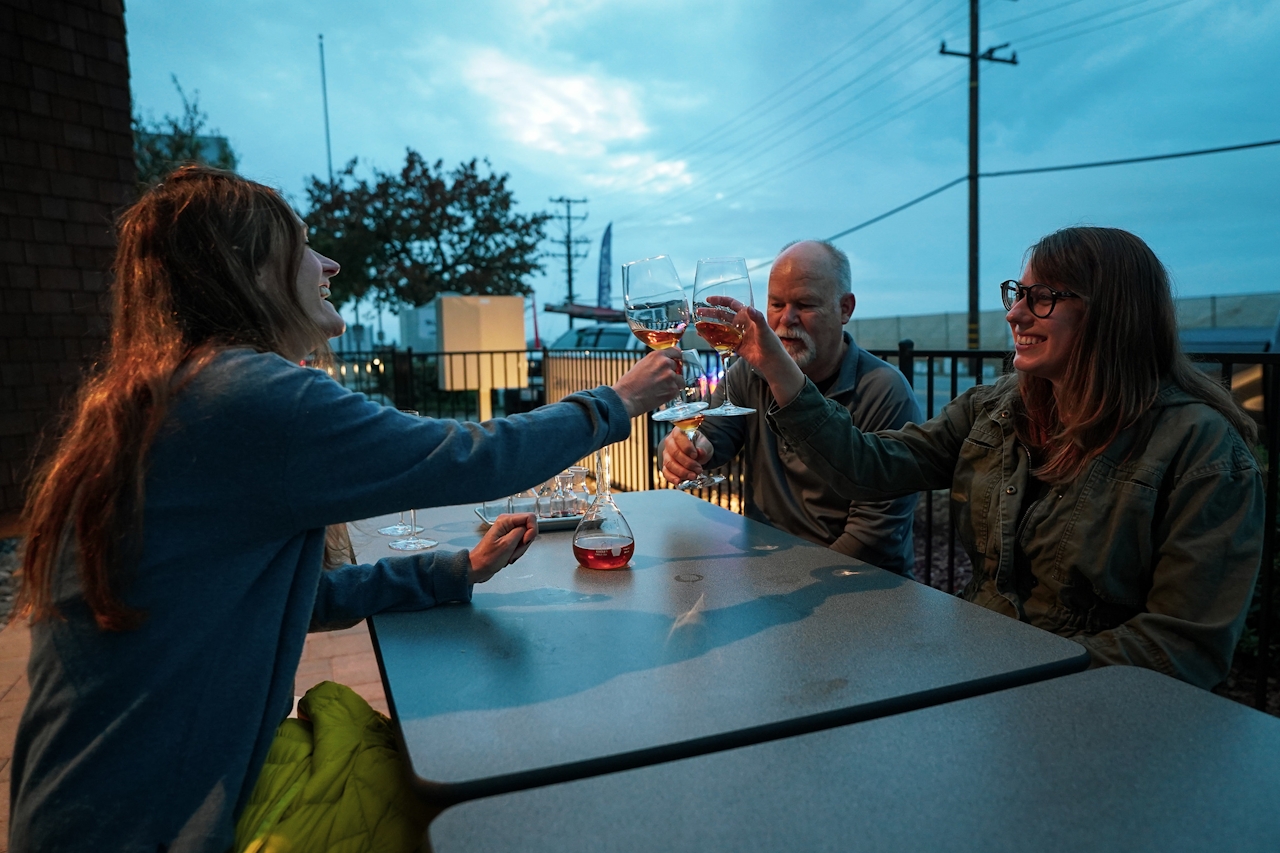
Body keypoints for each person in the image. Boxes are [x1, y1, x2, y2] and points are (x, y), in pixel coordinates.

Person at [7, 166, 683, 852]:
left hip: (82, 811)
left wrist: (454, 571)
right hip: (151, 824)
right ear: (252, 271)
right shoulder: (243, 395)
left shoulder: (163, 397)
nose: (329, 262)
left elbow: (294, 597)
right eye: (302, 244)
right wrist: (617, 400)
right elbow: (470, 455)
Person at [721, 227, 1263, 689]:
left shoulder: (1201, 451)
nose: (1015, 313)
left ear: (1112, 315)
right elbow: (869, 467)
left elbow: (1183, 646)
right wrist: (777, 366)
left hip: (1087, 718)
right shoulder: (998, 406)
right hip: (976, 681)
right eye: (1016, 293)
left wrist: (1009, 668)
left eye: (1042, 297)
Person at [662, 240, 922, 575]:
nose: (787, 319)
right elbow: (710, 441)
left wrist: (791, 587)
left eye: (806, 304)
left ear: (845, 309)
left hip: (859, 587)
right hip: (770, 575)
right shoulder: (750, 373)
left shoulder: (884, 391)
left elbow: (873, 537)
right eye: (776, 304)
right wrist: (681, 450)